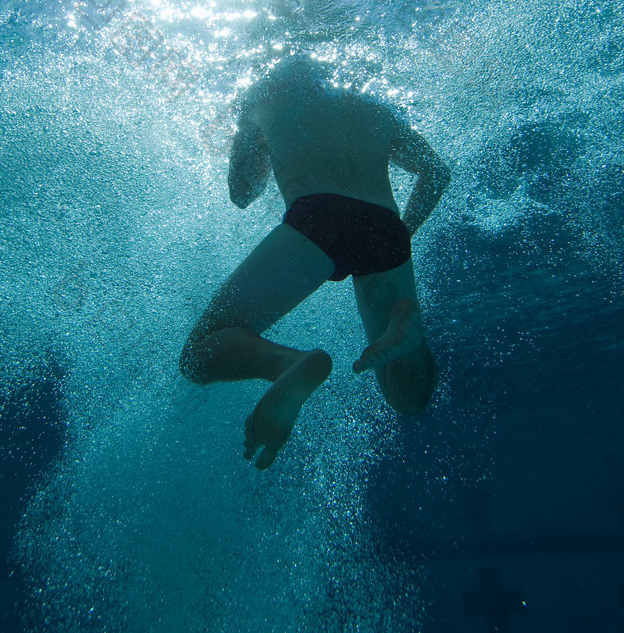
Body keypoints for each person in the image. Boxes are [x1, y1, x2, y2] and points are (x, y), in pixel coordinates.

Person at [180, 55, 451, 470]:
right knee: (406, 397)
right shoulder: (374, 109)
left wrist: (247, 132)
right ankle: (407, 335)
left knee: (198, 355)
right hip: (387, 228)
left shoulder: (261, 99)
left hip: (318, 217)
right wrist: (402, 237)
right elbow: (436, 172)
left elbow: (242, 193)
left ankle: (287, 363)